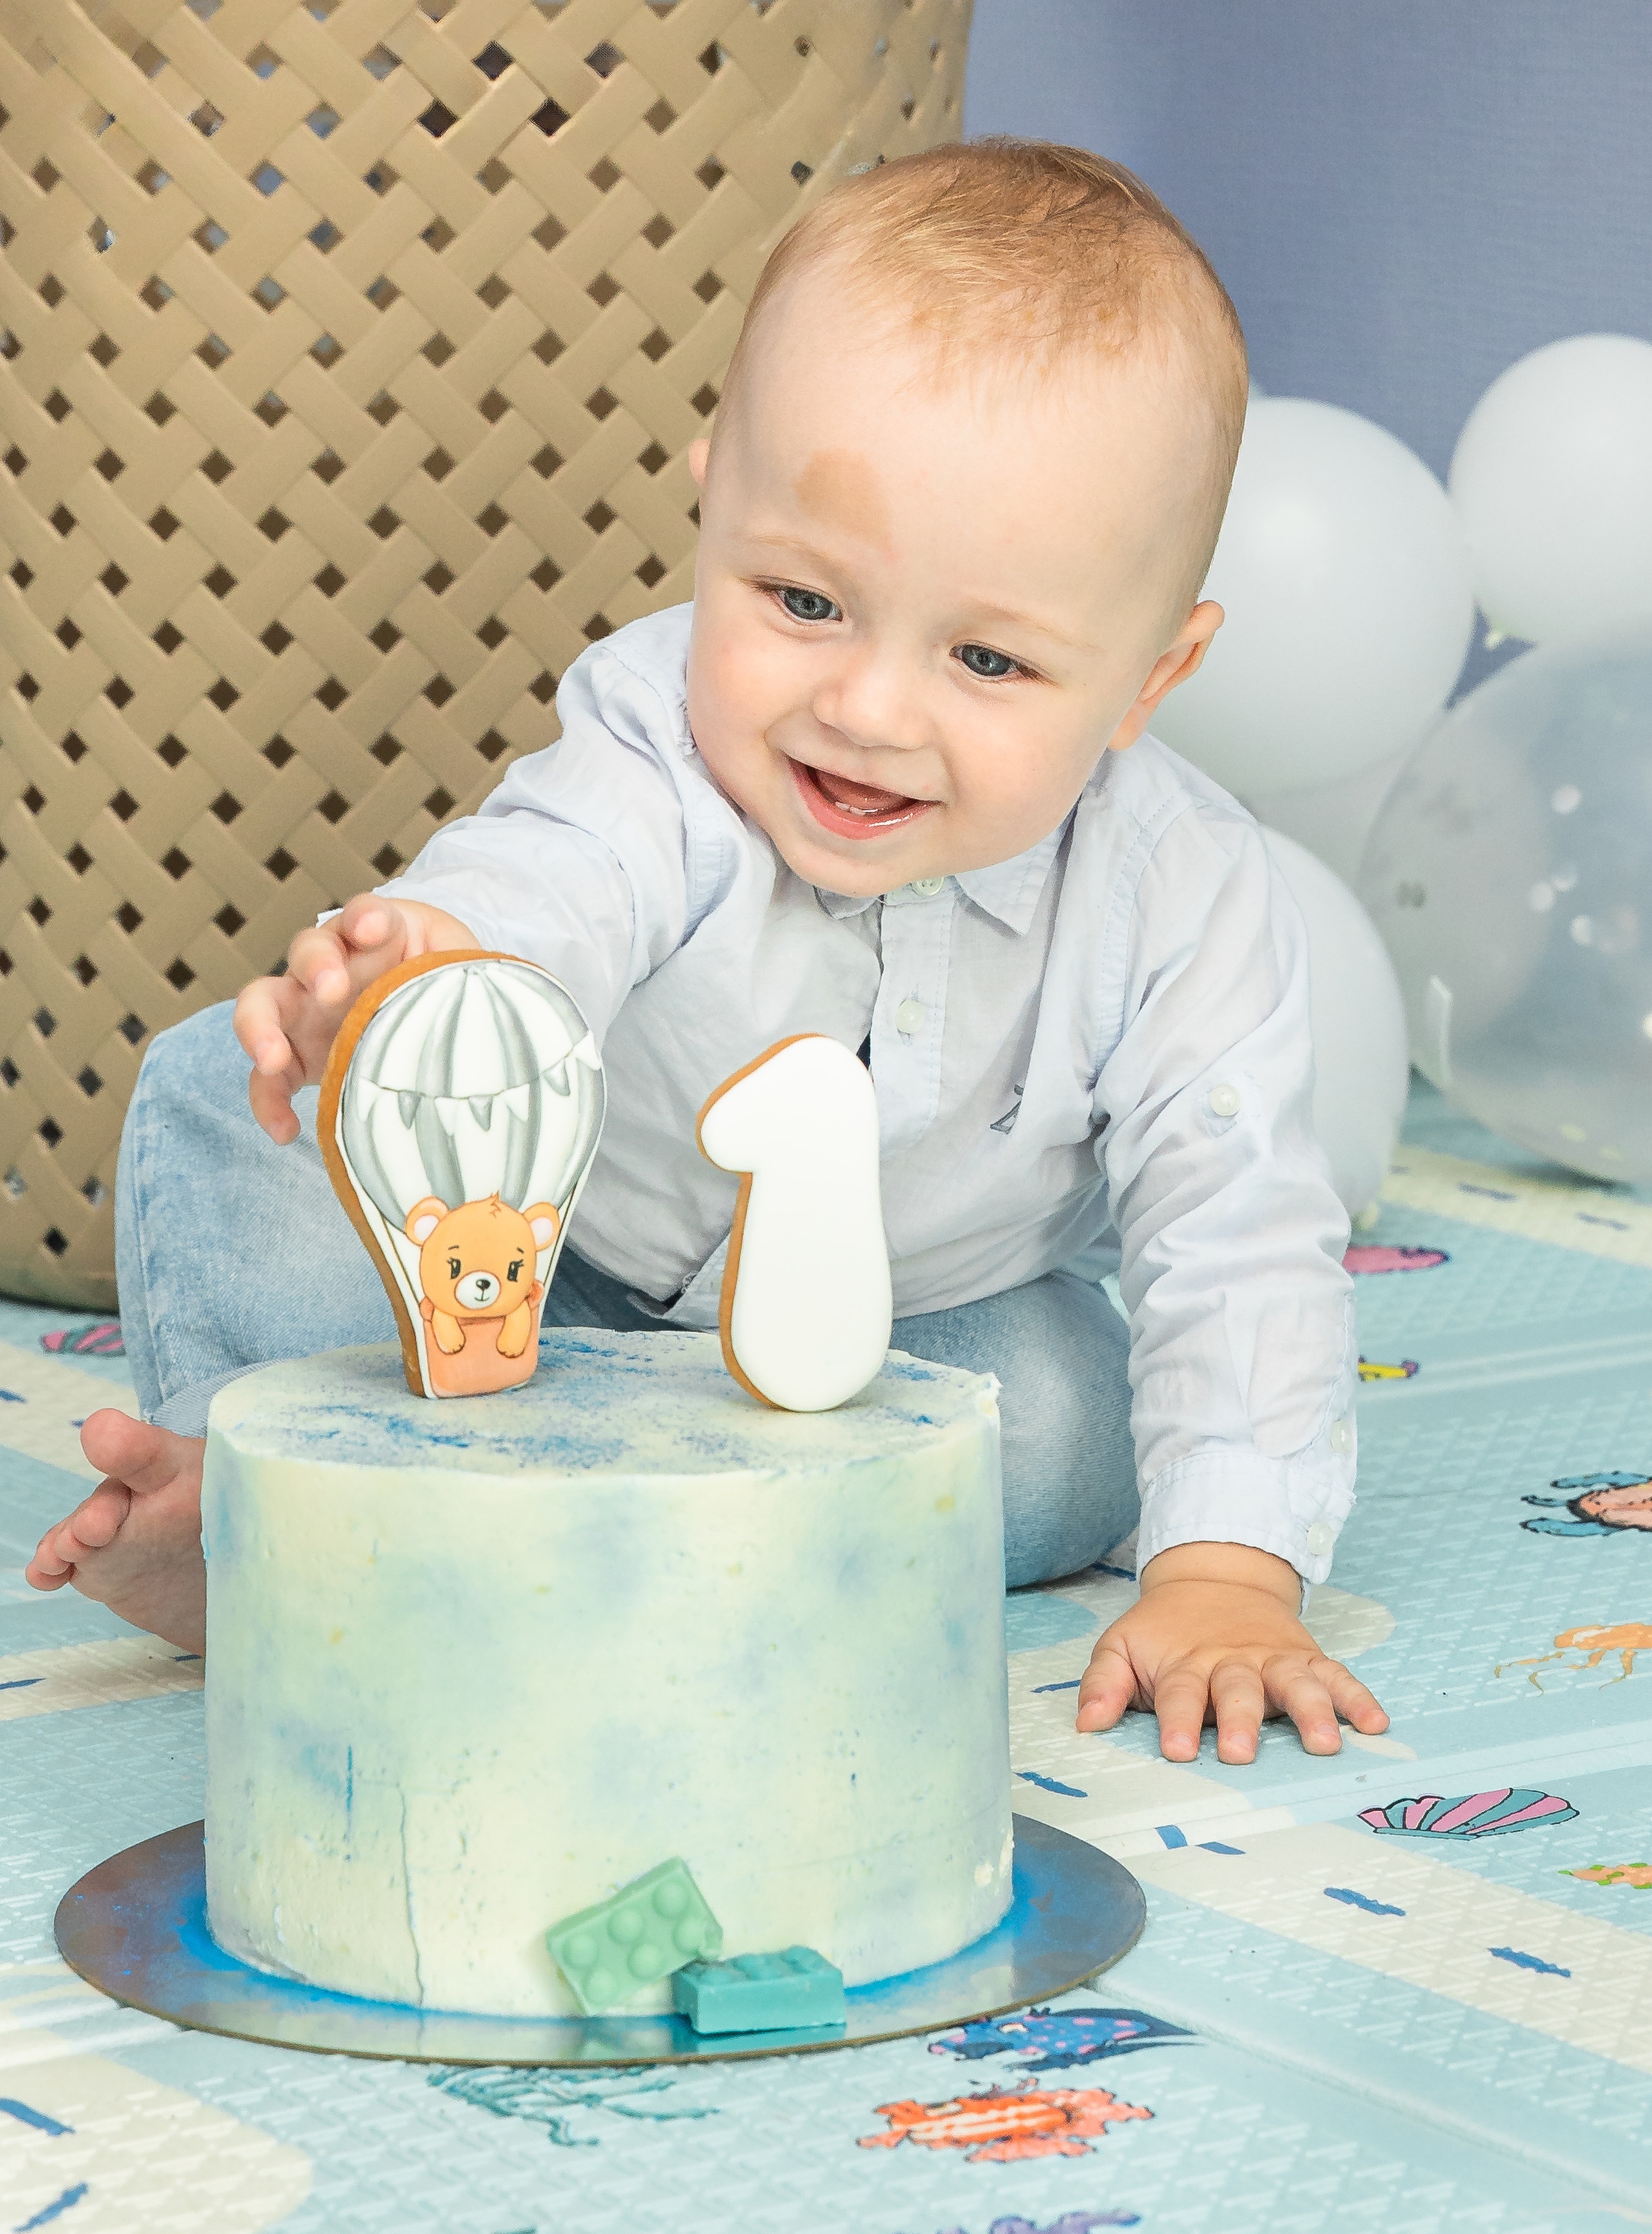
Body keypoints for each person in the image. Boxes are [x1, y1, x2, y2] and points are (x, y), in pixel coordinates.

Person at [26, 138, 1387, 1767]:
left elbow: (1232, 1233)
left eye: (985, 658)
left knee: (1074, 1405)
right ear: (709, 501)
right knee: (221, 1105)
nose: (868, 709)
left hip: (875, 1352)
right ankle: (278, 1515)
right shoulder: (655, 740)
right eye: (803, 601)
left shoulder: (1188, 895)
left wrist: (1227, 1573)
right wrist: (419, 984)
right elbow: (552, 884)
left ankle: (539, 1552)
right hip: (510, 1285)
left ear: (1149, 677)